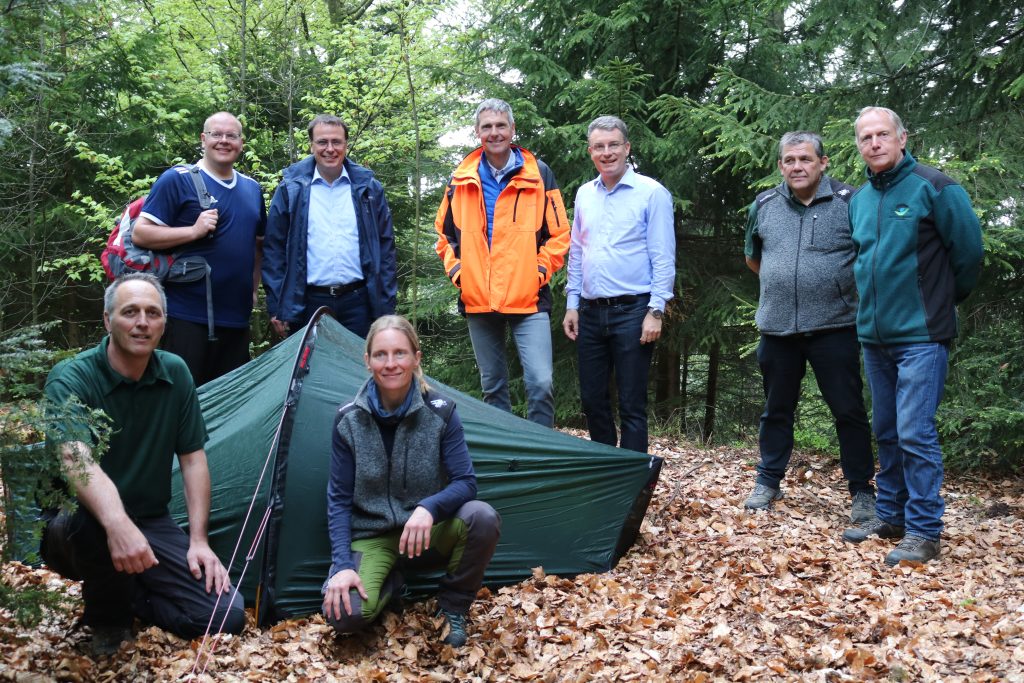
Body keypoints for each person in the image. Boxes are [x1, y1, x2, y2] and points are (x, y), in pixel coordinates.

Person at [41, 273, 245, 656]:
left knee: (225, 616)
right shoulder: (71, 378)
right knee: (94, 522)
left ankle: (133, 595)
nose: (142, 322)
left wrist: (198, 540)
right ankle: (109, 622)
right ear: (107, 320)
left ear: (164, 323)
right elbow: (75, 459)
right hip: (75, 519)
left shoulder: (175, 373)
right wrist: (118, 524)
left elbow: (193, 458)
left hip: (150, 519)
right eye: (130, 312)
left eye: (153, 313)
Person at [842, 107, 983, 565]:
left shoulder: (935, 187)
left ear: (902, 138)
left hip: (922, 335)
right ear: (859, 145)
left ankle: (924, 530)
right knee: (886, 429)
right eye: (866, 137)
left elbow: (968, 255)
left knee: (916, 432)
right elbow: (862, 261)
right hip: (874, 336)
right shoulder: (860, 198)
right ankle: (892, 515)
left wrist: (939, 304)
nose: (875, 143)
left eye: (883, 134)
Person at [322, 315, 501, 648]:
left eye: (400, 353)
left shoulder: (442, 412)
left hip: (425, 532)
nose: (391, 364)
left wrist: (428, 508)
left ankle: (453, 607)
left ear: (417, 358)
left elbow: (465, 482)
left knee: (482, 517)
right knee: (344, 617)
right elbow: (338, 499)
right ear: (367, 360)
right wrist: (343, 566)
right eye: (381, 354)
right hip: (372, 535)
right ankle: (388, 584)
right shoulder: (348, 419)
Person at [741, 131, 876, 521]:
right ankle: (767, 481)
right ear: (781, 165)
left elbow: (866, 257)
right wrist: (782, 284)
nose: (797, 167)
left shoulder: (850, 203)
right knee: (776, 410)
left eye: (805, 159)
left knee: (848, 410)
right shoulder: (764, 204)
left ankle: (861, 491)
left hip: (835, 327)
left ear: (823, 162)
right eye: (789, 160)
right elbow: (754, 257)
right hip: (777, 329)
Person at [434, 98, 570, 427]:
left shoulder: (540, 174)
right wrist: (461, 277)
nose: (494, 132)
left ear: (512, 130)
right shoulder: (461, 178)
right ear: (477, 132)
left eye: (500, 125)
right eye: (487, 127)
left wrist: (537, 273)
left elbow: (560, 234)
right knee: (492, 387)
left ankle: (541, 453)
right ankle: (506, 459)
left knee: (540, 383)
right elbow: (444, 235)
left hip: (528, 299)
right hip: (479, 299)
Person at [562, 116, 675, 452]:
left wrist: (656, 310)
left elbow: (663, 256)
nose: (607, 152)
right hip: (591, 312)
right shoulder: (584, 194)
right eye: (599, 146)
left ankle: (632, 485)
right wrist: (572, 303)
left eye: (613, 145)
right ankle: (605, 474)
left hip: (634, 310)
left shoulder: (651, 193)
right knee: (593, 400)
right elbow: (578, 252)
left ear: (626, 148)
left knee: (631, 403)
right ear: (590, 151)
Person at [132, 111, 266, 386]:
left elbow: (258, 246)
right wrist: (192, 231)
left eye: (232, 135)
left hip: (236, 321)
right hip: (185, 317)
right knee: (181, 403)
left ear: (241, 143)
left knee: (227, 408)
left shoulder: (252, 189)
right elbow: (141, 233)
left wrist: (253, 290)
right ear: (203, 139)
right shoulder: (177, 179)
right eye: (217, 134)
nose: (224, 141)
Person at [263, 114, 397, 339]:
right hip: (306, 303)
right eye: (322, 142)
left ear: (345, 144)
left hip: (360, 302)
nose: (330, 149)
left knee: (358, 371)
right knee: (310, 372)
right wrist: (278, 305)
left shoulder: (369, 189)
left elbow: (385, 249)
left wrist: (385, 305)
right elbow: (274, 250)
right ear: (311, 145)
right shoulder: (291, 189)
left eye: (336, 142)